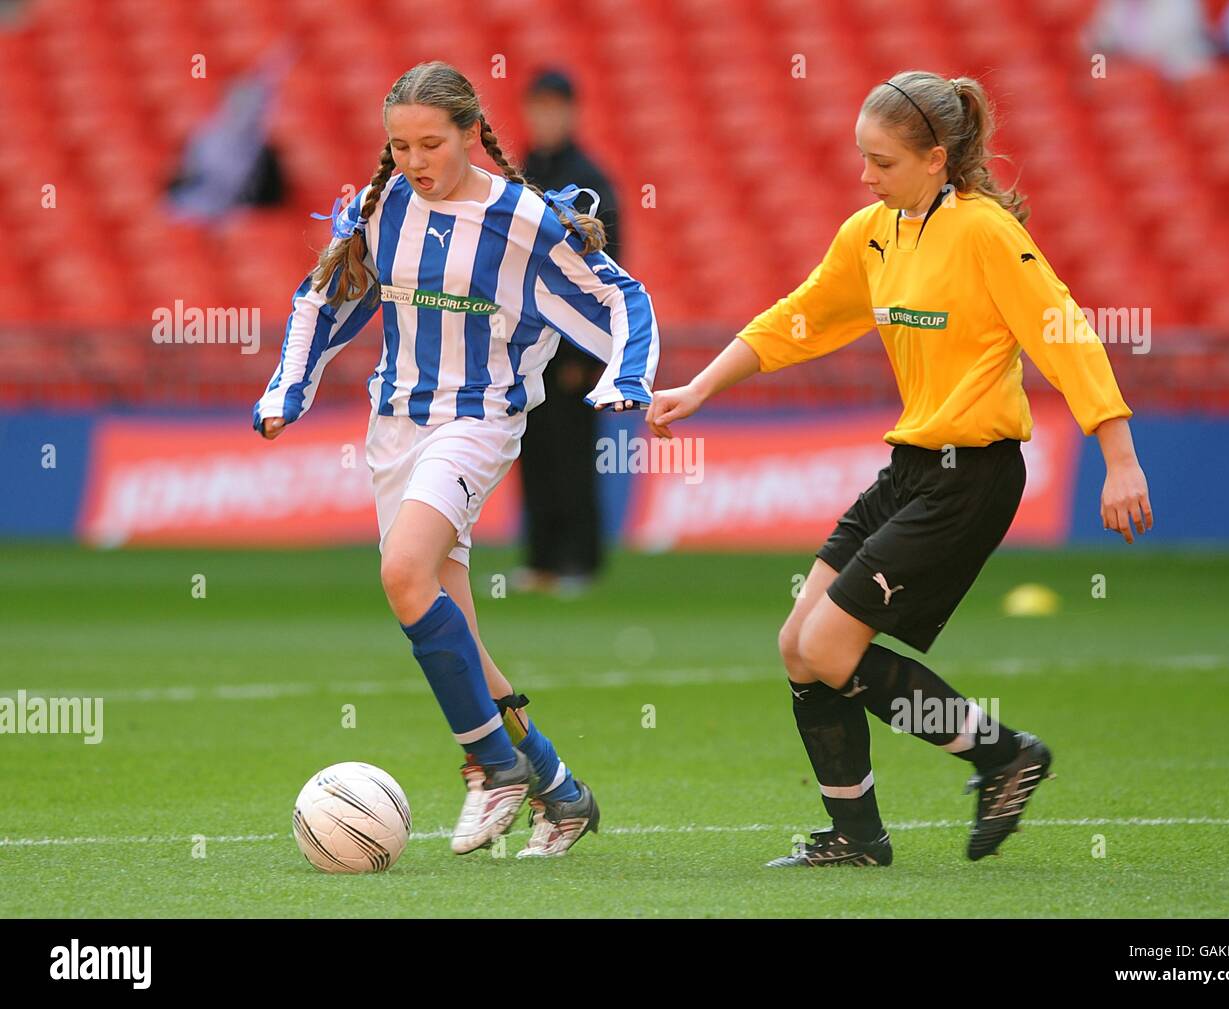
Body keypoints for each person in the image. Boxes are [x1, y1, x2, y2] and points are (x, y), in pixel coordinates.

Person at [648, 70, 1153, 867]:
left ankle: (1004, 756)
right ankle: (857, 836)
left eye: (880, 161)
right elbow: (799, 318)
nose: (865, 175)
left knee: (830, 644)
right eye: (863, 158)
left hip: (973, 476)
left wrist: (1118, 455)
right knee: (798, 644)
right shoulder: (873, 231)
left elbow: (1065, 331)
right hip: (911, 467)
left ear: (935, 159)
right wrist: (702, 385)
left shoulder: (985, 232)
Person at [254, 61, 659, 858]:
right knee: (458, 636)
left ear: (471, 135)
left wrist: (628, 378)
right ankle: (562, 790)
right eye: (399, 145)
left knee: (403, 574)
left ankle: (490, 765)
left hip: (477, 422)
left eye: (430, 143)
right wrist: (286, 390)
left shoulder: (523, 219)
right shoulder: (385, 208)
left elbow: (620, 296)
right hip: (394, 428)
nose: (413, 160)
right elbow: (327, 294)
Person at [515, 69, 623, 595]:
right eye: (538, 106)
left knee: (573, 453)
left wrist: (590, 351)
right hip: (526, 342)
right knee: (532, 450)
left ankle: (580, 560)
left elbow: (606, 270)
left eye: (554, 107)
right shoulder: (523, 174)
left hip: (573, 347)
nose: (546, 117)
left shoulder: (590, 181)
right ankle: (541, 559)